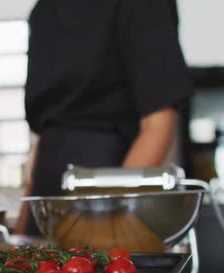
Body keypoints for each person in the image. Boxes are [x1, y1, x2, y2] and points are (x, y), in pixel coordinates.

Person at [16, 0, 193, 235]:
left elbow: (158, 125)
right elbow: (42, 144)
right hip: (46, 199)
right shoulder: (44, 10)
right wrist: (21, 232)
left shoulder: (142, 5)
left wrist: (108, 221)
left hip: (108, 189)